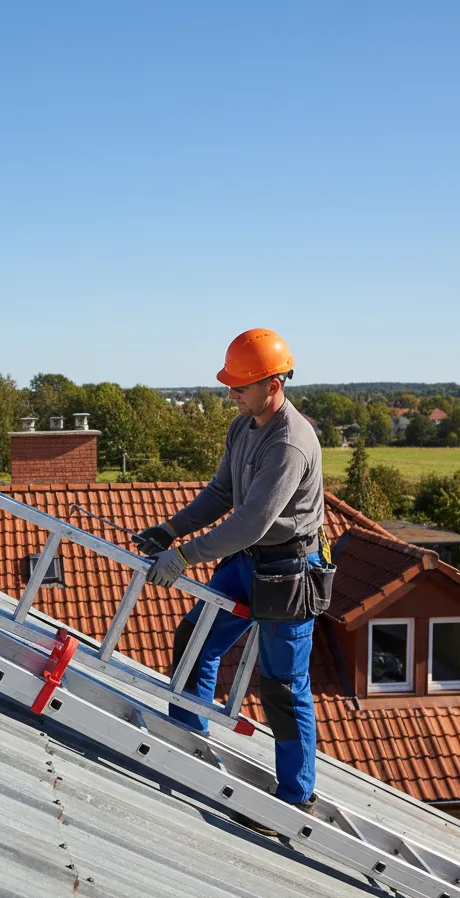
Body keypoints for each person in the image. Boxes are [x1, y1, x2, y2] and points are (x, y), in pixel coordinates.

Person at [138, 328, 326, 819]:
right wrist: (170, 529)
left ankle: (296, 797)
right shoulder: (243, 427)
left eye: (240, 386)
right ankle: (188, 741)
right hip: (248, 562)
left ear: (273, 384)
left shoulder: (291, 443)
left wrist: (184, 555)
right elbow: (222, 493)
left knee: (283, 685)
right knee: (195, 637)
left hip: (288, 571)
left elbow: (250, 522)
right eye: (231, 385)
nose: (232, 394)